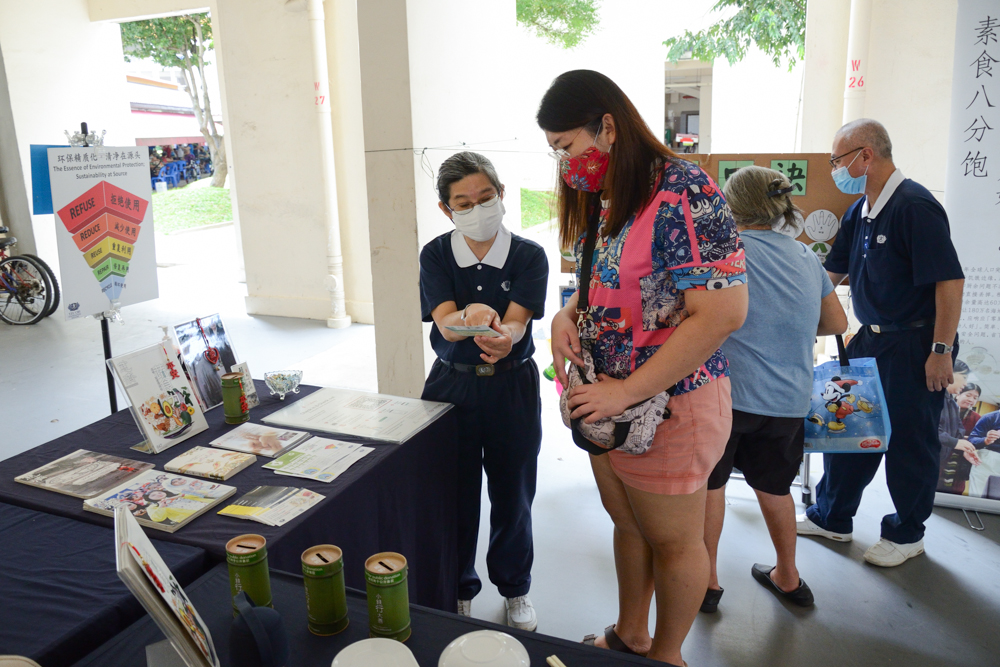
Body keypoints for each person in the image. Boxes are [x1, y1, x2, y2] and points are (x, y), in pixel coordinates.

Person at [543, 70, 747, 666]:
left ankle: (667, 654)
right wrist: (566, 315)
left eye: (567, 146)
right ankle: (630, 635)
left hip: (669, 403)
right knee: (629, 525)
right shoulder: (615, 193)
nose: (565, 164)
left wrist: (627, 391)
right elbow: (613, 279)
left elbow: (723, 312)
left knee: (675, 541)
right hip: (610, 403)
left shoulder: (684, 191)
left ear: (607, 127)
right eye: (555, 151)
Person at [797, 118, 965, 567]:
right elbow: (831, 273)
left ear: (865, 156)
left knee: (909, 442)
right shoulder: (860, 211)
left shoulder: (915, 206)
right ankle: (832, 517)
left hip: (916, 344)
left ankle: (907, 533)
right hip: (869, 340)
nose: (835, 169)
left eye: (837, 160)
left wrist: (941, 350)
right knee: (847, 429)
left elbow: (949, 281)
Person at [701, 166, 847, 613]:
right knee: (776, 487)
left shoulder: (726, 252)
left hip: (730, 396)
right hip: (788, 401)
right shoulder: (805, 256)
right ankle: (788, 576)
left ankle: (707, 582)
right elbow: (836, 322)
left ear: (729, 205)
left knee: (711, 487)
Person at [419, 151, 548, 631]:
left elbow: (517, 322)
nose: (477, 209)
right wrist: (468, 318)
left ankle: (515, 588)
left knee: (514, 493)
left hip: (512, 386)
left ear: (501, 195)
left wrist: (504, 337)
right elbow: (445, 322)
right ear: (446, 208)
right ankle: (457, 589)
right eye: (464, 203)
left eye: (486, 197)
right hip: (451, 387)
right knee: (452, 493)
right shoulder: (436, 254)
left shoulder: (528, 255)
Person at [937, 361, 976, 493]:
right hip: (922, 459)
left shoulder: (952, 404)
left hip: (939, 460)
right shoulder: (932, 398)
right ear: (949, 372)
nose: (965, 383)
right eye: (964, 377)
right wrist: (955, 442)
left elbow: (959, 431)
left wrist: (964, 448)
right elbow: (928, 428)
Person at [967, 408, 1000, 497]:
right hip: (987, 460)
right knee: (977, 495)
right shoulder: (990, 417)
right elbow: (972, 440)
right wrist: (986, 440)